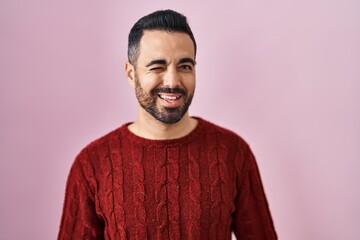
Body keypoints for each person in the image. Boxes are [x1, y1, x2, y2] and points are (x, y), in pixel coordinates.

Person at [58, 9, 277, 240]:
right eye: (157, 67)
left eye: (185, 66)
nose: (173, 82)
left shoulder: (233, 152)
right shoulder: (91, 164)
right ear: (131, 74)